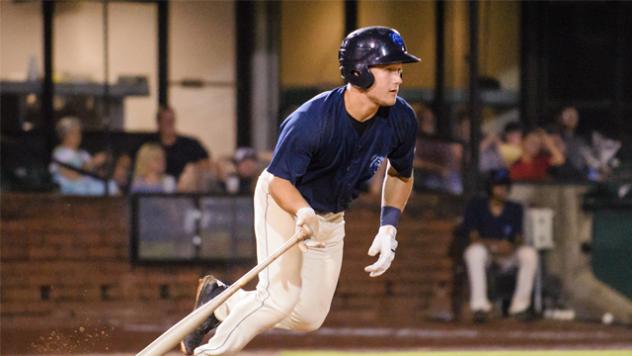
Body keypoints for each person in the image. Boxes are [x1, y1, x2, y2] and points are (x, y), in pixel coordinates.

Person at [182, 26, 420, 356]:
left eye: (399, 71)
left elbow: (400, 174)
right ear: (359, 72)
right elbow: (279, 181)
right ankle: (212, 353)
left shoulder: (402, 119)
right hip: (284, 200)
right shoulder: (311, 120)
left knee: (308, 317)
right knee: (277, 298)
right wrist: (302, 212)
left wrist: (389, 226)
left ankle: (220, 303)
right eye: (389, 70)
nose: (398, 80)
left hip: (330, 215)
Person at [462, 169, 537, 322]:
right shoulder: (477, 206)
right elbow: (473, 236)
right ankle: (480, 307)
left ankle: (519, 307)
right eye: (498, 186)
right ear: (490, 187)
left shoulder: (515, 208)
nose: (503, 190)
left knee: (529, 254)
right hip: (487, 253)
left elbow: (518, 237)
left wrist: (510, 246)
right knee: (473, 252)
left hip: (508, 254)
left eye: (505, 186)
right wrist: (494, 246)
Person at [49, 116, 118, 195]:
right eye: (73, 132)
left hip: (88, 186)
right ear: (64, 135)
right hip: (71, 190)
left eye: (79, 132)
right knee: (111, 187)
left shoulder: (83, 154)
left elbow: (94, 174)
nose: (78, 136)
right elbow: (71, 176)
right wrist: (93, 162)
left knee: (111, 184)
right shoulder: (59, 153)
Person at [149, 107, 211, 181]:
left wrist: (193, 169)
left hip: (186, 186)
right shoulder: (150, 144)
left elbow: (206, 161)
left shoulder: (190, 143)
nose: (169, 124)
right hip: (157, 185)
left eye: (171, 120)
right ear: (158, 123)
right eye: (166, 121)